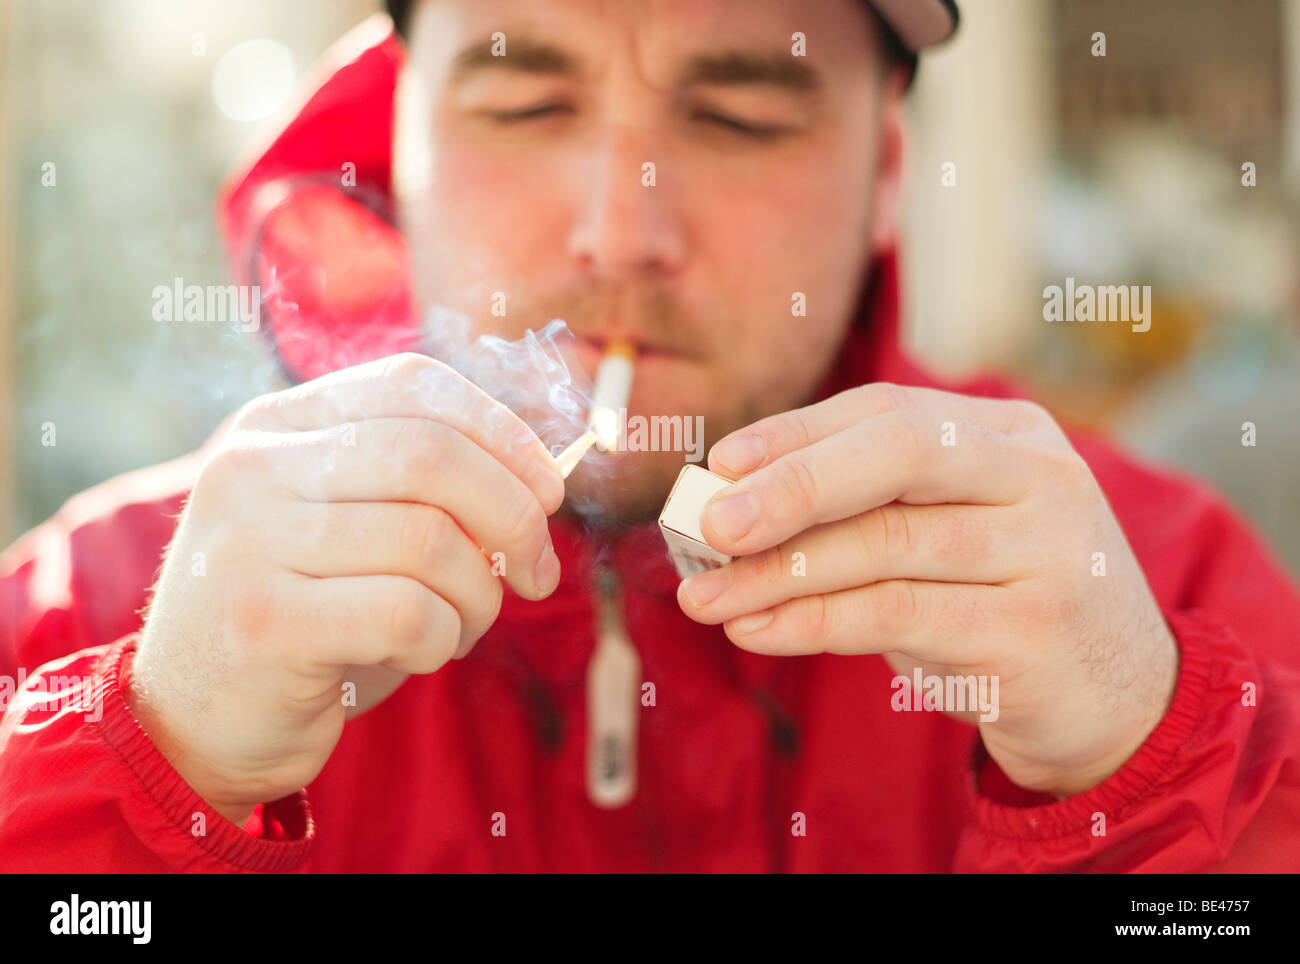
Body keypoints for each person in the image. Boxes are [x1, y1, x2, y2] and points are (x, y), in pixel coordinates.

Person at [2, 0, 1297, 873]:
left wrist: (1145, 776)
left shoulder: (1158, 594)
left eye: (738, 116)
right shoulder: (91, 624)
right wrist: (148, 773)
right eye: (524, 103)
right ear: (396, 142)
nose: (621, 231)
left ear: (890, 174)